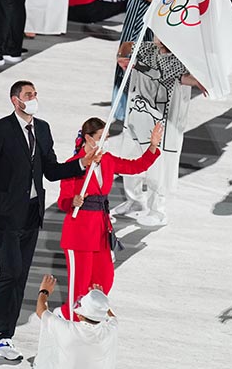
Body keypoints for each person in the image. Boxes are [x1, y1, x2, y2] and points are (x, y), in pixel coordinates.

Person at [0, 80, 96, 361]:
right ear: (15, 100)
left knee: (21, 277)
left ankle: (5, 337)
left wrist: (81, 164)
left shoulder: (42, 128)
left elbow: (51, 170)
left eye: (35, 94)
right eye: (28, 95)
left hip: (31, 213)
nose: (34, 98)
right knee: (10, 273)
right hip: (4, 215)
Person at [57, 118, 161, 316]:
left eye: (107, 137)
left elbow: (136, 166)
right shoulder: (73, 165)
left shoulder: (107, 160)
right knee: (79, 288)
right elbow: (63, 200)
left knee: (104, 280)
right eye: (101, 137)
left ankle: (80, 317)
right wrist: (73, 201)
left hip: (100, 231)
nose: (106, 141)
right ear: (88, 138)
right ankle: (70, 320)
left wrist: (153, 146)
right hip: (79, 232)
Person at [111, 38, 206, 227]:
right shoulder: (145, 49)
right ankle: (135, 201)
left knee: (157, 167)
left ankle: (158, 211)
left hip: (160, 120)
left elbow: (181, 78)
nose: (160, 40)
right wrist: (123, 57)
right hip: (136, 115)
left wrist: (197, 82)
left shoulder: (178, 59)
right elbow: (125, 49)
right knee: (129, 159)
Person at [101, 0, 154, 121]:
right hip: (127, 41)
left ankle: (135, 114)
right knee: (123, 75)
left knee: (133, 78)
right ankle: (124, 113)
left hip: (139, 44)